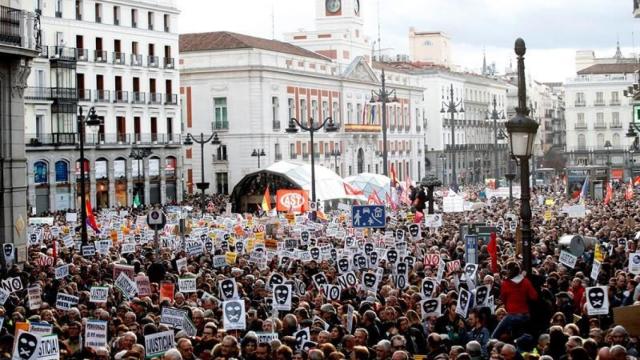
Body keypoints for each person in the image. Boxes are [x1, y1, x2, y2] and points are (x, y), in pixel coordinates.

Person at [492, 262, 538, 341]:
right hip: (525, 316)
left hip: (512, 315)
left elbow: (503, 299)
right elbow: (534, 297)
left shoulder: (506, 283)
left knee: (494, 336)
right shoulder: (526, 281)